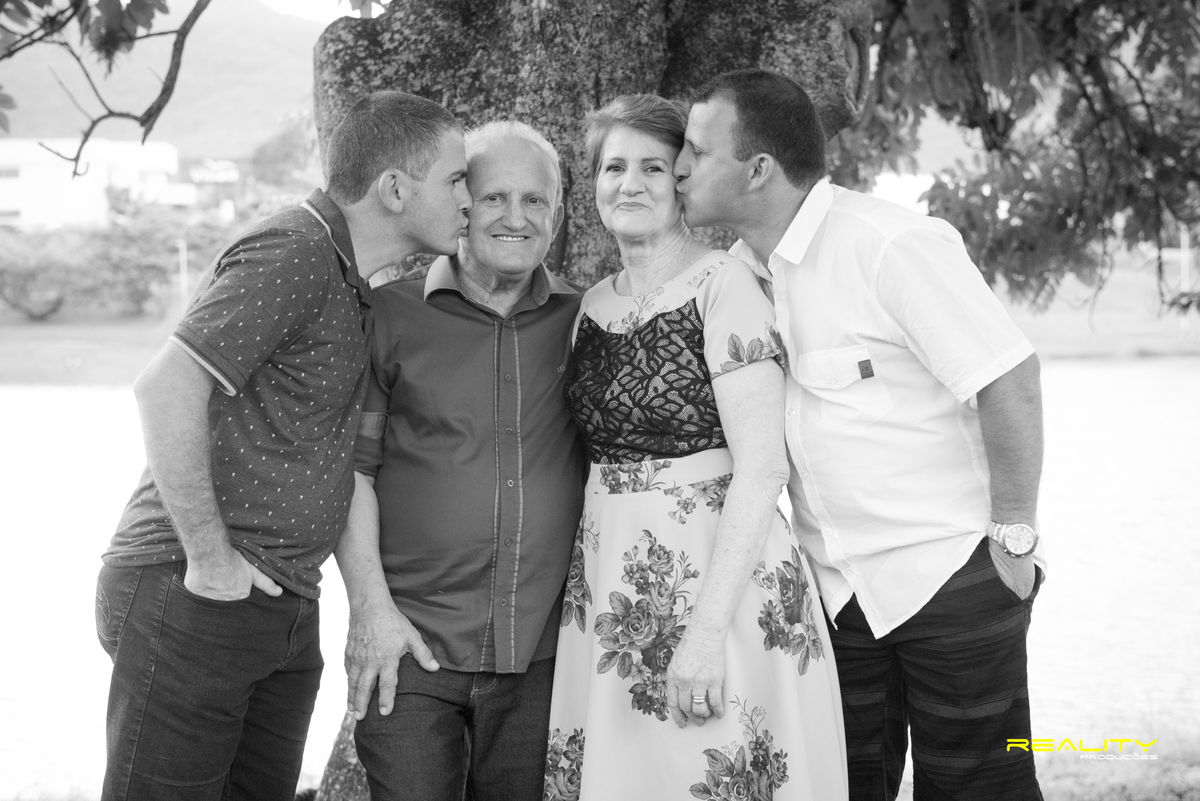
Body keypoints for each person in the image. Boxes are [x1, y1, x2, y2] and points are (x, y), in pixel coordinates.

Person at [674, 68, 1046, 800]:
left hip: (950, 577)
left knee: (978, 790)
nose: (679, 166)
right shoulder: (735, 278)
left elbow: (1010, 379)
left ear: (758, 169)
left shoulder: (889, 244)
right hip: (836, 599)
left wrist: (1013, 538)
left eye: (696, 149)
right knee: (841, 787)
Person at [94, 90, 471, 801]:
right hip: (196, 589)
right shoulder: (296, 250)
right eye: (456, 180)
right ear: (395, 189)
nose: (469, 200)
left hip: (282, 601)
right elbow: (165, 388)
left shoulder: (349, 281)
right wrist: (211, 563)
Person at [544, 94, 848, 801]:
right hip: (612, 592)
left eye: (653, 167)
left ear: (681, 179)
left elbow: (763, 466)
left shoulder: (725, 284)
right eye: (613, 167)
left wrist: (706, 632)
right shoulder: (590, 307)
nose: (631, 183)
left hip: (722, 588)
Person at [336, 120, 586, 801]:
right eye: (495, 196)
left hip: (542, 656)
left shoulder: (585, 321)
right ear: (461, 204)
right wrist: (370, 610)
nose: (515, 217)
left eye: (534, 200)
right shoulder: (387, 315)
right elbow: (353, 472)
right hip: (409, 646)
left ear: (558, 214)